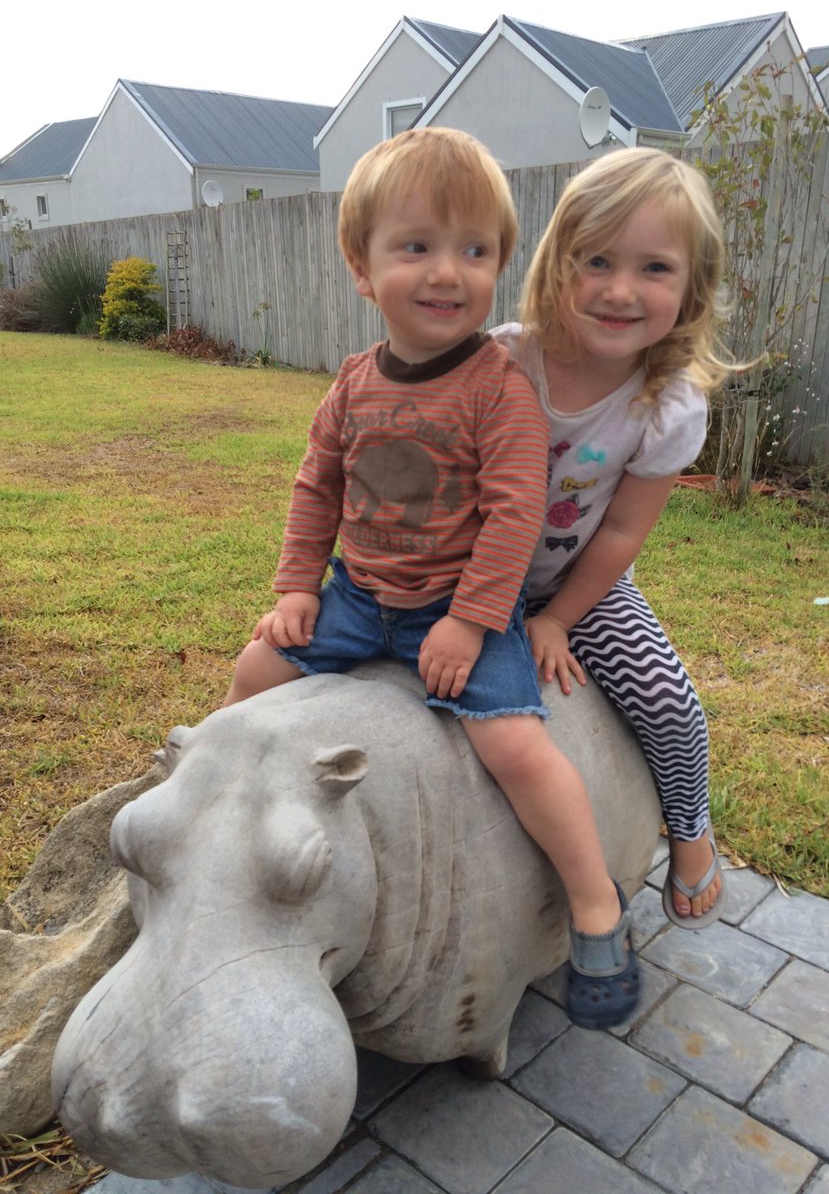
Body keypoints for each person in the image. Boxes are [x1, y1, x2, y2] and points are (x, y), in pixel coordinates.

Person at [224, 127, 640, 1029]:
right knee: (254, 673)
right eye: (417, 246)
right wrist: (298, 588)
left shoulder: (500, 389)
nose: (448, 272)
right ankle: (225, 821)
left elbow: (515, 513)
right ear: (362, 265)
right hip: (359, 599)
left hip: (461, 611)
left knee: (519, 747)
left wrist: (469, 620)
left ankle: (594, 900)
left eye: (474, 250)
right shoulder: (351, 383)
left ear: (498, 264)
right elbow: (317, 486)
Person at [492, 147, 737, 929]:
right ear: (558, 263)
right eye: (596, 259)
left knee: (667, 699)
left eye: (655, 268)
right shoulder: (504, 359)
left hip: (583, 585)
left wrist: (559, 617)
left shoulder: (666, 406)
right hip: (469, 578)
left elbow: (623, 531)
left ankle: (691, 832)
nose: (621, 290)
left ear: (691, 289)